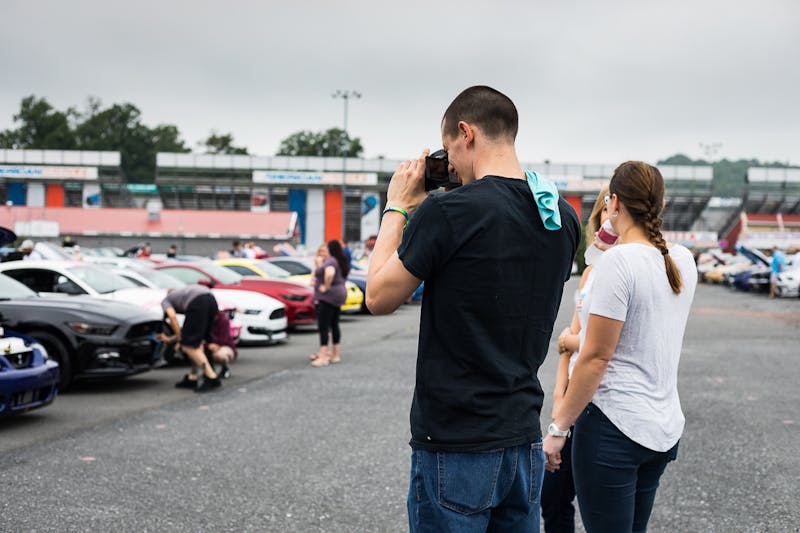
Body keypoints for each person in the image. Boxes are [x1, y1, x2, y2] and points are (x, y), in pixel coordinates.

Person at [366, 86, 580, 532]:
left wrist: (397, 207)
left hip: (455, 440)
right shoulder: (561, 217)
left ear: (466, 133)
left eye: (448, 151)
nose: (450, 166)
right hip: (523, 439)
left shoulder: (448, 211)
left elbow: (378, 297)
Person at [543, 161, 697, 533]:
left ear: (613, 203)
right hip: (661, 428)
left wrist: (559, 429)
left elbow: (596, 357)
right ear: (660, 205)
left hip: (613, 428)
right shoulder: (682, 260)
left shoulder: (618, 263)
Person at [541, 188, 611, 533]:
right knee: (552, 496)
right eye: (600, 215)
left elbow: (592, 343)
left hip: (602, 404)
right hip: (573, 401)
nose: (605, 222)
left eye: (611, 212)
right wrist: (559, 399)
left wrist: (570, 340)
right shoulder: (590, 271)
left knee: (600, 507)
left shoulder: (622, 271)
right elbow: (570, 338)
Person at [156, 285, 222, 393]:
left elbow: (172, 316)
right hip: (211, 301)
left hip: (199, 303)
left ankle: (211, 377)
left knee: (189, 346)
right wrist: (176, 338)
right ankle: (193, 377)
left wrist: (179, 338)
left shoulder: (166, 300)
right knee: (196, 344)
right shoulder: (185, 294)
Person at [310, 240, 349, 367]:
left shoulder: (330, 261)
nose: (323, 252)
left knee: (324, 326)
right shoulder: (338, 260)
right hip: (338, 295)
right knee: (334, 324)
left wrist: (326, 287)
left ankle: (323, 357)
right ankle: (335, 355)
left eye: (325, 250)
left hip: (328, 297)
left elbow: (329, 273)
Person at [205, 309, 237, 379]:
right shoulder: (206, 321)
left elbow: (223, 339)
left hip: (225, 345)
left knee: (220, 354)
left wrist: (211, 343)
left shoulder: (224, 320)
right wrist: (208, 344)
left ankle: (225, 369)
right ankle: (208, 371)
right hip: (210, 344)